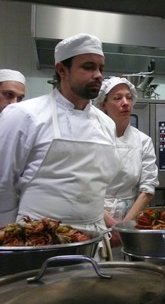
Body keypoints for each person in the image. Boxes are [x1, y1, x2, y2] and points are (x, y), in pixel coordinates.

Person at [0, 33, 118, 256]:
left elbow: (91, 188)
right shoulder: (24, 115)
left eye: (101, 68)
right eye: (88, 67)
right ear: (61, 70)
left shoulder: (106, 125)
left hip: (93, 241)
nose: (98, 75)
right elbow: (3, 184)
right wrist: (8, 244)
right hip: (39, 241)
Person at [94, 76, 159, 246]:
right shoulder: (91, 138)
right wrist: (110, 223)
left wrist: (124, 226)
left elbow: (148, 188)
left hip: (131, 218)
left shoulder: (143, 141)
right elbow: (82, 186)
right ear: (103, 104)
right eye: (117, 98)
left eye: (129, 97)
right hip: (95, 217)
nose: (125, 103)